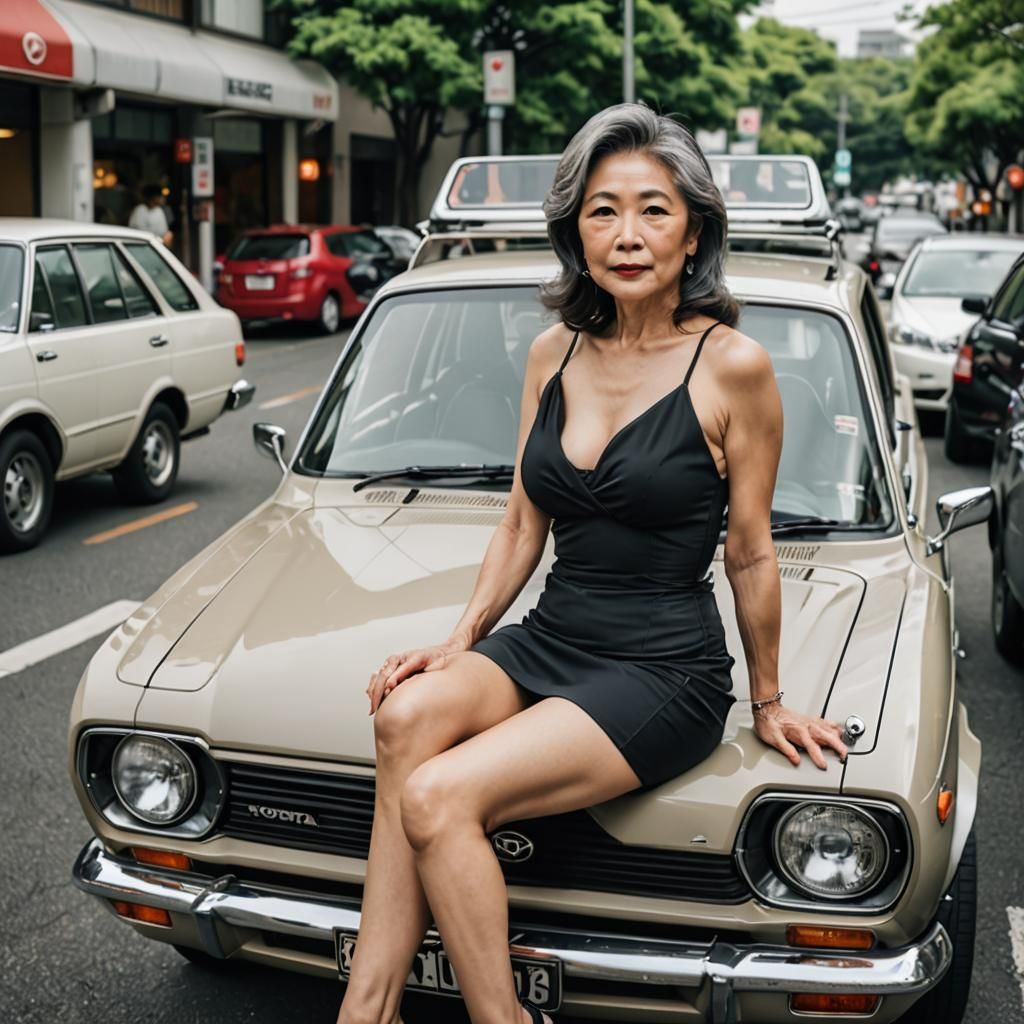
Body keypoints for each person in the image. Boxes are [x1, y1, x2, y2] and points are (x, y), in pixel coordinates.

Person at [336, 103, 849, 1024]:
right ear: (576, 229)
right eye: (603, 209)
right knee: (405, 717)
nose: (627, 233)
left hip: (660, 667)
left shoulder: (734, 366)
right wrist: (459, 642)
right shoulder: (553, 352)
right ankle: (366, 1010)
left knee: (442, 795)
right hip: (555, 636)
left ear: (694, 231)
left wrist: (768, 701)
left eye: (653, 209)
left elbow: (751, 550)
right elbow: (520, 528)